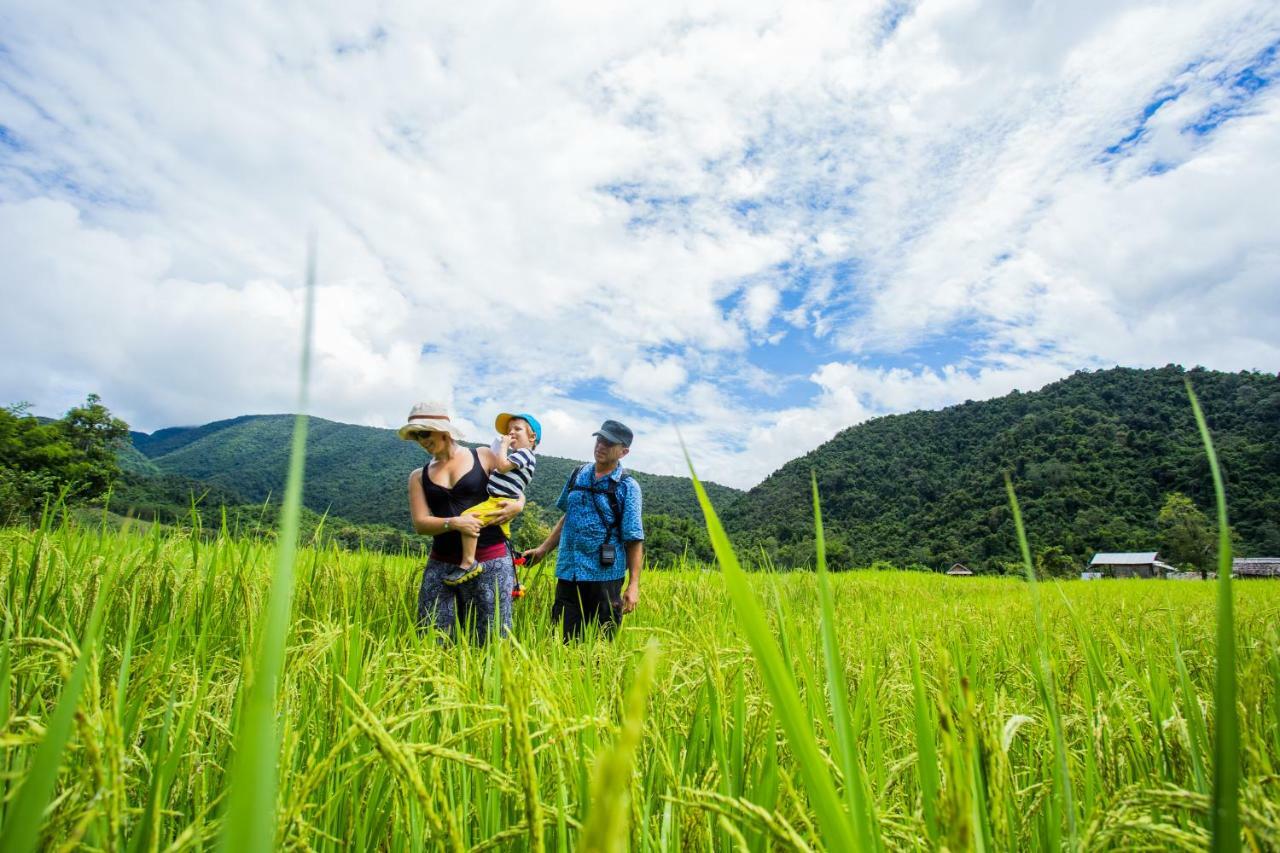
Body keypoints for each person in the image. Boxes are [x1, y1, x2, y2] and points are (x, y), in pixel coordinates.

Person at [400, 402, 523, 643]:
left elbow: (514, 488)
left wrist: (519, 504)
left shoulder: (484, 456)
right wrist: (455, 523)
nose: (421, 440)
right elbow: (421, 524)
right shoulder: (418, 476)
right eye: (416, 435)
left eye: (425, 432)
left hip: (491, 561)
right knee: (432, 637)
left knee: (492, 640)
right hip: (442, 564)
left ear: (443, 430)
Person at [523, 419, 644, 640]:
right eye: (600, 439)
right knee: (561, 640)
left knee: (601, 646)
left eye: (609, 443)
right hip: (569, 572)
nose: (601, 446)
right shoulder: (578, 474)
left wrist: (633, 585)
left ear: (624, 452)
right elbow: (568, 517)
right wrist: (542, 551)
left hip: (605, 577)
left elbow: (634, 539)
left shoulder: (628, 487)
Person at [452, 412, 541, 586]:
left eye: (517, 429)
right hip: (500, 499)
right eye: (509, 430)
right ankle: (514, 582)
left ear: (532, 437)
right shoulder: (519, 457)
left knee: (467, 518)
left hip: (497, 501)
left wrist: (503, 446)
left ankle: (468, 563)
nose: (511, 433)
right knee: (505, 542)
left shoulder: (524, 454)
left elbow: (501, 466)